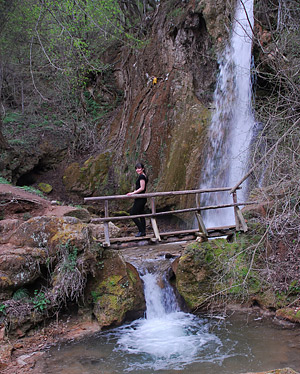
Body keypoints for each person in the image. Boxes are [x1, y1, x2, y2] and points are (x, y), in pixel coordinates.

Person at [127, 162, 148, 237]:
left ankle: (141, 230)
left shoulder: (142, 177)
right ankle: (143, 232)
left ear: (142, 169)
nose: (137, 170)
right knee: (141, 214)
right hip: (141, 197)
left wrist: (133, 193)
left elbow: (142, 188)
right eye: (136, 168)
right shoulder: (143, 176)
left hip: (140, 198)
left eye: (139, 168)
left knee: (132, 214)